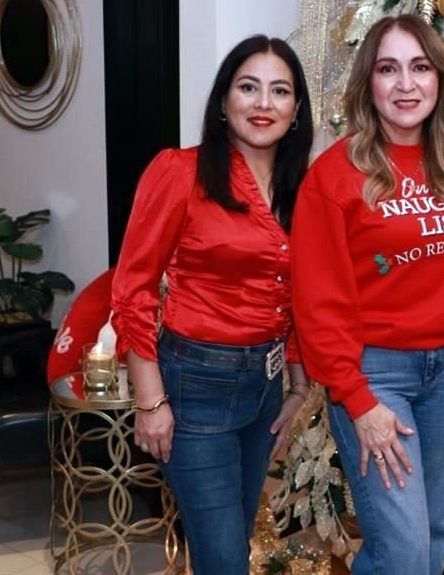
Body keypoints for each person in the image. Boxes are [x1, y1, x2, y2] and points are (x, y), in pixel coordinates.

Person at [110, 35, 314, 575]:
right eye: (248, 87)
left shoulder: (304, 189)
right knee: (224, 559)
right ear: (224, 101)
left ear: (296, 110)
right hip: (196, 387)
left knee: (231, 546)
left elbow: (297, 298)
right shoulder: (180, 172)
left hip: (266, 391)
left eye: (280, 91)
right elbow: (131, 289)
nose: (263, 103)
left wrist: (296, 386)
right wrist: (150, 401)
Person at [289, 14, 444, 574]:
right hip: (375, 376)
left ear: (440, 80)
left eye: (420, 68)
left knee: (437, 531)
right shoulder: (334, 176)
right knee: (402, 552)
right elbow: (316, 301)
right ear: (367, 84)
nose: (405, 84)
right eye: (388, 69)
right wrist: (358, 400)